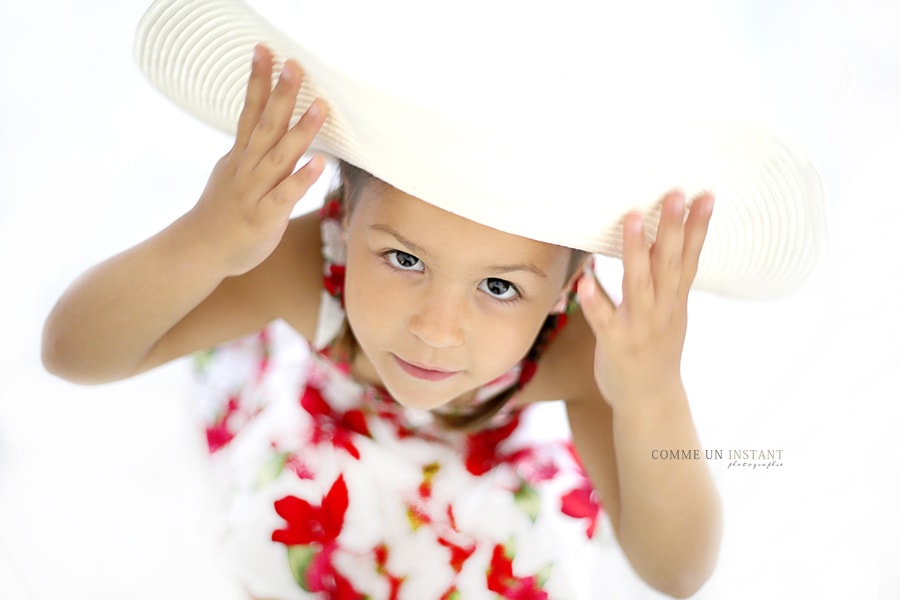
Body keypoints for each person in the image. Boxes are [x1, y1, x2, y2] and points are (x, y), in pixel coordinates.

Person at [42, 0, 827, 598]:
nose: (436, 329)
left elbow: (677, 571)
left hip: (488, 481)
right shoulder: (301, 265)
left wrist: (653, 396)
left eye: (499, 287)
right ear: (344, 221)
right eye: (405, 258)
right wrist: (205, 242)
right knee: (279, 536)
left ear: (565, 291)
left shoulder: (582, 349)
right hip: (325, 441)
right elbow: (73, 353)